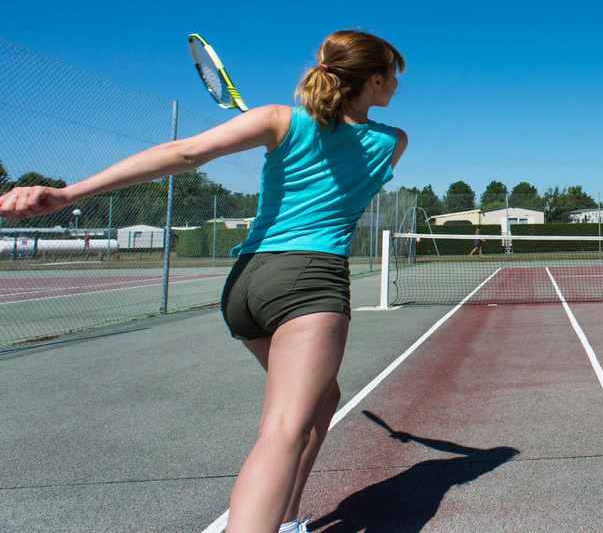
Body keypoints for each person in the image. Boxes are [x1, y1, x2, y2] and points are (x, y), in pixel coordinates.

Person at [0, 30, 408, 533]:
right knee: (282, 432)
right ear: (373, 78)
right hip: (310, 280)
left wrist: (69, 194)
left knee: (323, 401)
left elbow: (186, 153)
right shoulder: (392, 142)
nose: (396, 84)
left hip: (245, 286)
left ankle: (285, 521)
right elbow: (339, 154)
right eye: (393, 74)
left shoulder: (277, 119)